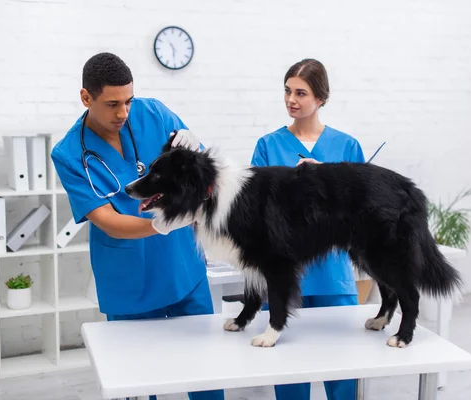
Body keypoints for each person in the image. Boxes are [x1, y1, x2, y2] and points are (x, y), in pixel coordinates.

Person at [51, 52, 225, 400]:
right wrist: (160, 226)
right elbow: (107, 220)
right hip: (129, 280)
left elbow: (202, 173)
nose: (123, 112)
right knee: (134, 380)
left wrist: (197, 152)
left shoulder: (153, 114)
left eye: (128, 100)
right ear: (86, 97)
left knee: (204, 372)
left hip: (181, 269)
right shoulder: (69, 153)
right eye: (112, 103)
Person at [250, 58, 366, 400]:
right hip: (285, 280)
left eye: (301, 93)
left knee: (342, 371)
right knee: (288, 373)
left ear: (321, 98)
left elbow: (362, 213)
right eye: (287, 91)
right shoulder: (267, 146)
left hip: (334, 278)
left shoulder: (347, 146)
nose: (291, 99)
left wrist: (325, 179)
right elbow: (256, 211)